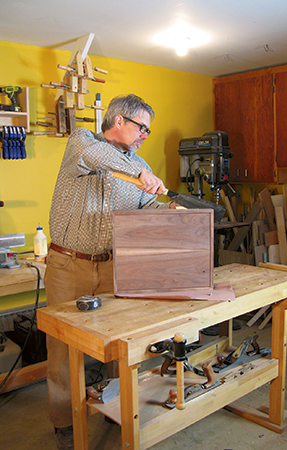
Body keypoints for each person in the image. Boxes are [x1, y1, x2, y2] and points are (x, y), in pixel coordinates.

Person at [44, 94, 176, 450]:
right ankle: (64, 423)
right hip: (68, 264)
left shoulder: (139, 163)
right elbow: (99, 157)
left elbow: (144, 207)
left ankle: (116, 408)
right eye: (142, 127)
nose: (146, 134)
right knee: (62, 349)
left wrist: (169, 208)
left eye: (149, 129)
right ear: (119, 121)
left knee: (120, 344)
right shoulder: (82, 143)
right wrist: (141, 174)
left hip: (114, 264)